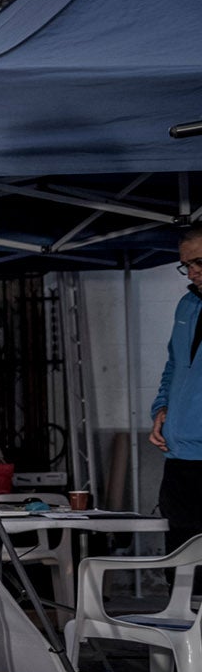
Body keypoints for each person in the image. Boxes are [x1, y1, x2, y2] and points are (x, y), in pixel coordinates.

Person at [150, 225, 202, 552]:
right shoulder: (186, 304)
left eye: (200, 262)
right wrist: (161, 409)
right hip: (179, 456)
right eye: (187, 264)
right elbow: (173, 364)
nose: (193, 271)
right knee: (181, 562)